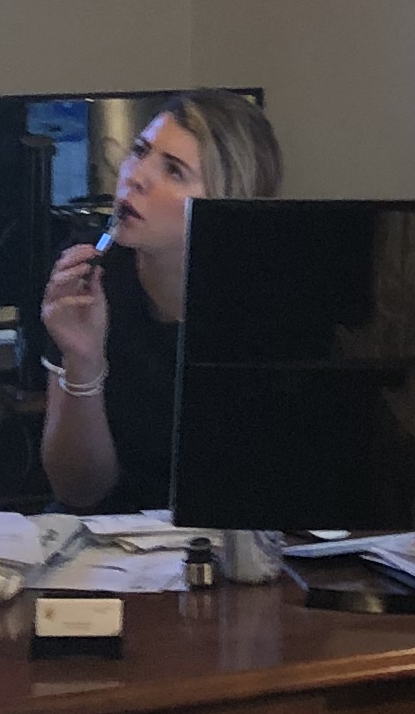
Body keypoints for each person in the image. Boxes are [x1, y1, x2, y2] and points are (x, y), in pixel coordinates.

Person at [36, 92, 284, 513]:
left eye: (173, 170)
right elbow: (78, 490)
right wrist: (83, 362)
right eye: (139, 151)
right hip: (111, 541)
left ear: (226, 202)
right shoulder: (91, 284)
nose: (135, 176)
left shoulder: (272, 306)